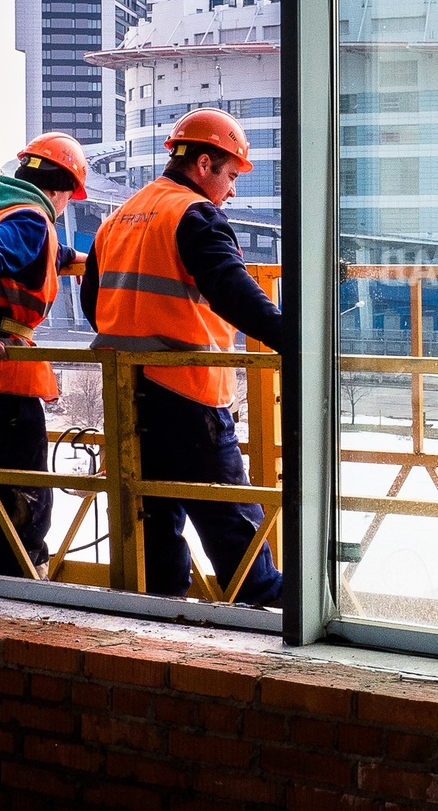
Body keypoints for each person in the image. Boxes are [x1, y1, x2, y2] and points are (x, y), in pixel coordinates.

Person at [82, 108, 284, 605]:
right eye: (230, 176)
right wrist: (296, 339)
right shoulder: (193, 215)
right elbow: (232, 290)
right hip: (190, 399)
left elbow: (94, 303)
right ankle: (272, 637)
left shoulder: (120, 218)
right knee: (239, 543)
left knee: (153, 541)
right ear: (203, 164)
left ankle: (154, 640)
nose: (232, 191)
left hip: (129, 397)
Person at [0, 133, 88, 575]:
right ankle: (18, 577)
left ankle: (0, 571)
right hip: (1, 372)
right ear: (61, 191)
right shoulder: (31, 219)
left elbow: (33, 259)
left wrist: (71, 254)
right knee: (25, 491)